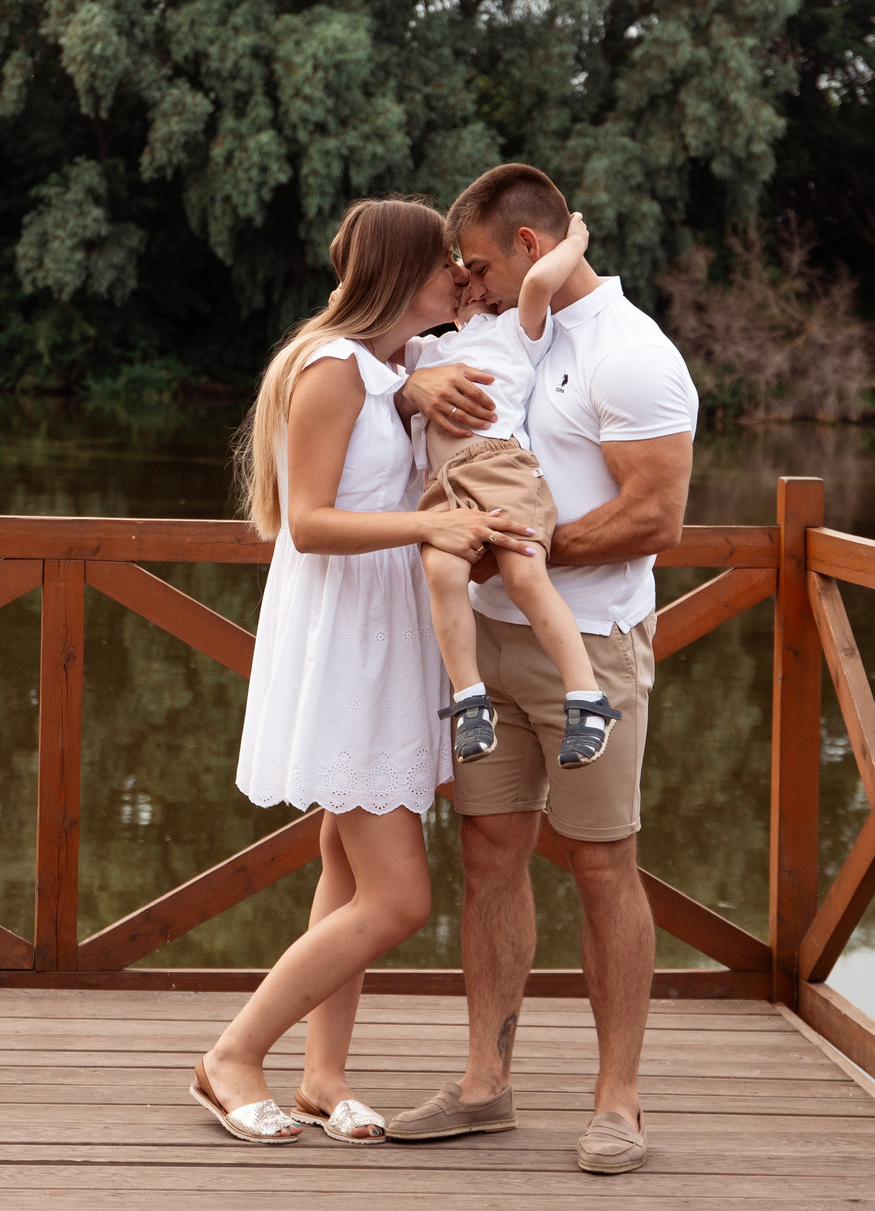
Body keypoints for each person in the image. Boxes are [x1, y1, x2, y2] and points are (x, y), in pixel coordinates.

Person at [192, 196, 541, 1148]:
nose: (463, 284)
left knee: (347, 871)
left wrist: (413, 391)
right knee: (399, 897)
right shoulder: (330, 369)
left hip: (393, 635)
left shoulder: (390, 364)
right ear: (398, 274)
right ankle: (232, 1054)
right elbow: (306, 521)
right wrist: (429, 523)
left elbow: (483, 344)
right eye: (446, 270)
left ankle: (321, 1074)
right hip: (344, 637)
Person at [386, 163, 697, 1177]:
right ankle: (485, 1084)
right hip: (480, 638)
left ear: (528, 247)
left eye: (473, 264)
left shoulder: (632, 353)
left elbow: (656, 515)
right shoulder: (494, 334)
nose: (461, 285)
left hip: (590, 644)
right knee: (488, 855)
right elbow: (364, 364)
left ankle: (619, 1102)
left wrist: (519, 549)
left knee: (604, 861)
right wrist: (411, 380)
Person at [411, 211, 617, 772]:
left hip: (501, 466)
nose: (474, 291)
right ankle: (470, 697)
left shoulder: (516, 335)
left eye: (482, 281)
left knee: (525, 574)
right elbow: (370, 349)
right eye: (463, 283)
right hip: (446, 486)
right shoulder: (422, 353)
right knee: (442, 573)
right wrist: (410, 384)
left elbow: (536, 283)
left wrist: (575, 240)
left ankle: (586, 696)